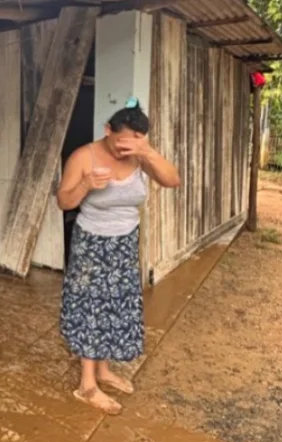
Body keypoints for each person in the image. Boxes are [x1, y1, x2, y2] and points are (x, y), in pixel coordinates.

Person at [56, 98, 180, 415]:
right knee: (92, 305)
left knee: (117, 302)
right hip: (91, 243)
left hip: (124, 242)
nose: (121, 150)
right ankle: (86, 385)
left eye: (131, 144)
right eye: (118, 142)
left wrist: (146, 152)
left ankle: (103, 370)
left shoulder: (139, 156)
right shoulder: (84, 156)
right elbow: (64, 202)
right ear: (107, 130)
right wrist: (85, 184)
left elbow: (172, 180)